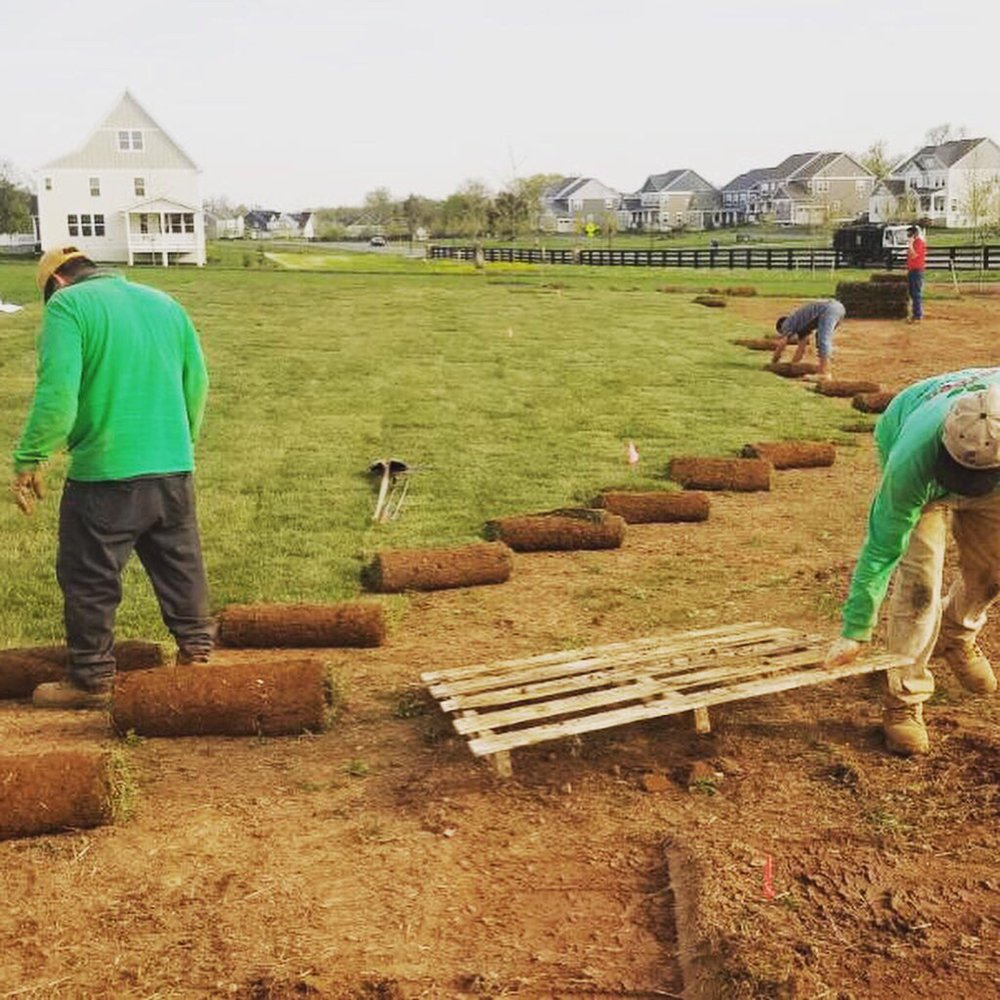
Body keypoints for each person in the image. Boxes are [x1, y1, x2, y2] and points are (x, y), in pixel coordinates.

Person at [11, 246, 215, 709]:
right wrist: (179, 443)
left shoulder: (69, 306)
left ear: (57, 283)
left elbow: (58, 392)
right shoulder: (164, 303)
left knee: (89, 575)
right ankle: (197, 656)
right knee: (181, 567)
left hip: (105, 474)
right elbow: (197, 381)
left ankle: (91, 678)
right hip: (172, 467)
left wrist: (30, 457)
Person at [824, 368, 1000, 755]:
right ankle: (904, 701)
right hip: (917, 449)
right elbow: (882, 548)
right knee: (919, 585)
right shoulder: (912, 458)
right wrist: (855, 630)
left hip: (994, 477)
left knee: (991, 572)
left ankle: (957, 633)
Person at [771, 298, 846, 381]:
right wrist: (793, 366)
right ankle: (824, 369)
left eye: (782, 332)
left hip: (829, 309)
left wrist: (773, 362)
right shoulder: (802, 326)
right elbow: (801, 349)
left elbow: (782, 343)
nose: (784, 333)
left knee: (823, 339)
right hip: (839, 309)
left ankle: (824, 373)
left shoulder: (787, 323)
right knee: (821, 337)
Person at [906, 224, 926, 321]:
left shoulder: (919, 243)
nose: (908, 235)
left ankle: (917, 315)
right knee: (912, 292)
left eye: (910, 233)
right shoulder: (914, 243)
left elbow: (914, 255)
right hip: (912, 270)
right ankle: (915, 313)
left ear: (915, 234)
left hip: (917, 271)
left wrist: (910, 245)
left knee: (916, 293)